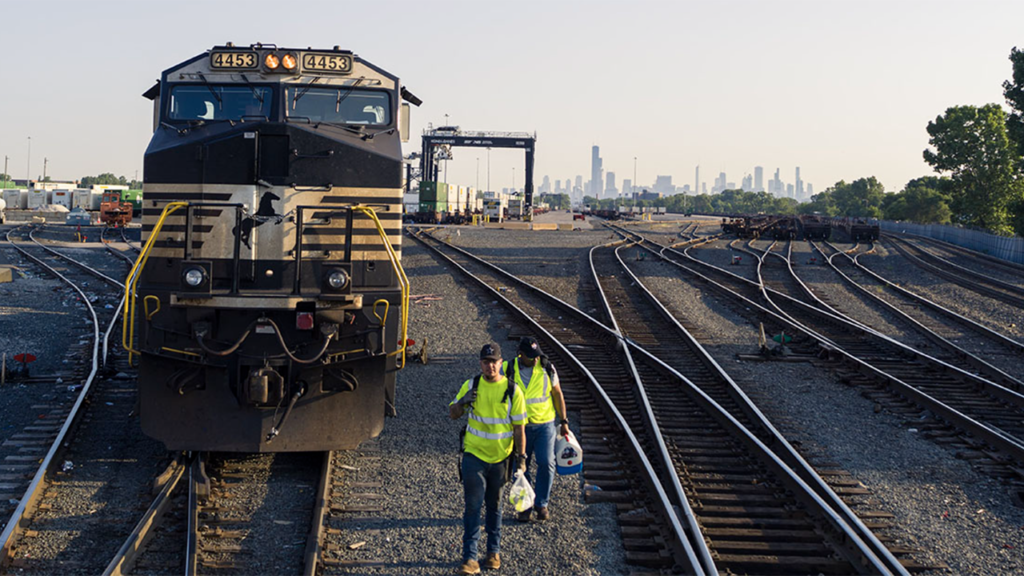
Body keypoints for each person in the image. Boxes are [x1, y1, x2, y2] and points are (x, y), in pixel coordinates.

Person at [450, 343, 527, 575]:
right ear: (480, 363)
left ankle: (493, 552)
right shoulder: (471, 385)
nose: (490, 366)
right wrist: (463, 401)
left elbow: (519, 428)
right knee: (473, 506)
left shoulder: (513, 391)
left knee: (494, 506)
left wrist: (522, 459)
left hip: (501, 459)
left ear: (501, 363)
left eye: (494, 362)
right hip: (474, 455)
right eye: (486, 362)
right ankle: (470, 558)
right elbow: (453, 413)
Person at [503, 336, 569, 523]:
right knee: (520, 468)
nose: (535, 359)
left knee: (547, 463)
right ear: (520, 354)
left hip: (544, 424)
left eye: (537, 355)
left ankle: (541, 504)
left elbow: (557, 393)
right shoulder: (508, 369)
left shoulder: (547, 368)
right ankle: (525, 507)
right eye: (531, 356)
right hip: (519, 427)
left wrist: (564, 420)